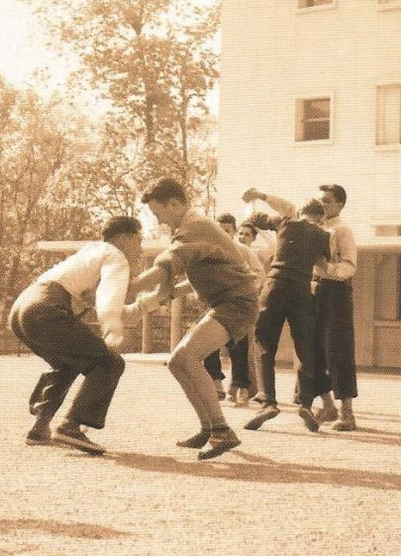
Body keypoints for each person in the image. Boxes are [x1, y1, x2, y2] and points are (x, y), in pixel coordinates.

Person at [136, 178, 259, 460]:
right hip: (228, 301)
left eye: (159, 213)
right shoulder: (193, 228)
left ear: (175, 204)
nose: (159, 221)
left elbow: (164, 268)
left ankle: (222, 430)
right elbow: (185, 278)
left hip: (236, 303)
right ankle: (208, 428)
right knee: (179, 362)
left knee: (186, 357)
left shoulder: (194, 227)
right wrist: (160, 296)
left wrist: (131, 287)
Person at [8, 215, 152, 454]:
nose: (140, 249)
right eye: (139, 241)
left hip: (21, 310)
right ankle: (71, 425)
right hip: (46, 309)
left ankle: (40, 427)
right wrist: (111, 329)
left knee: (68, 363)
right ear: (124, 238)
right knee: (110, 363)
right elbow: (109, 297)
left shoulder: (90, 252)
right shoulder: (116, 255)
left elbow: (103, 298)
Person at [241, 188, 332, 432]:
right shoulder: (323, 236)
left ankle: (267, 400)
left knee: (264, 345)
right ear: (320, 217)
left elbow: (252, 218)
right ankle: (305, 403)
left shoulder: (285, 223)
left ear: (301, 212)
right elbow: (325, 265)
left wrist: (251, 200)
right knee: (305, 349)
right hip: (302, 291)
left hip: (274, 287)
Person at [311, 183, 359, 431]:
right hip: (314, 291)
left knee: (338, 350)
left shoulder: (341, 230)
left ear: (339, 204)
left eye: (327, 200)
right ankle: (327, 405)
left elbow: (350, 266)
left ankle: (347, 414)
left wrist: (326, 267)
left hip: (336, 292)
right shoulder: (312, 227)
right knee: (311, 350)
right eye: (319, 200)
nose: (322, 205)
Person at [214, 213, 265, 406]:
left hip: (239, 305)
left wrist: (245, 291)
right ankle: (216, 384)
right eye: (219, 229)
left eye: (227, 230)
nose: (222, 234)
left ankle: (241, 388)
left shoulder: (243, 251)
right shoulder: (212, 251)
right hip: (218, 304)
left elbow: (260, 275)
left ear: (234, 231)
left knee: (240, 347)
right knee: (207, 347)